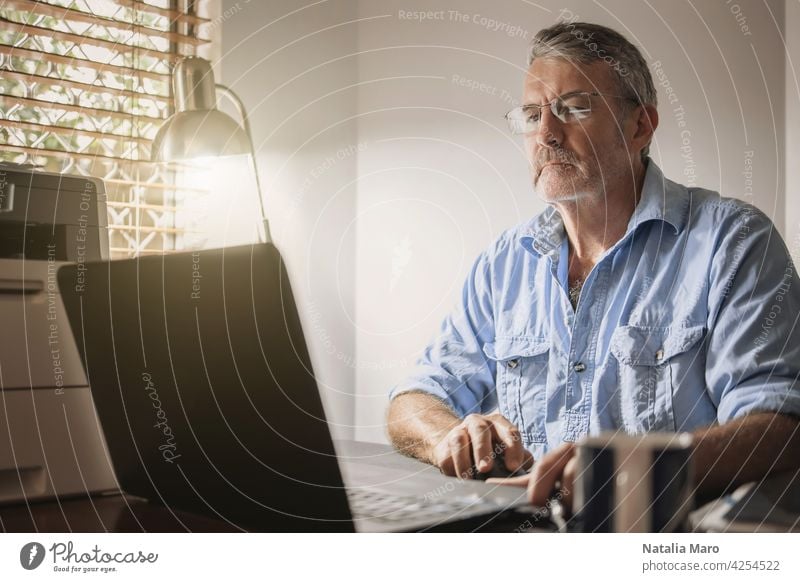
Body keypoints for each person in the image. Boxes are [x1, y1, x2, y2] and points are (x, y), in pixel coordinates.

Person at [386, 21, 800, 509]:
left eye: (573, 108)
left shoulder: (731, 243)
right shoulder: (504, 264)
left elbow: (782, 427)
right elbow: (413, 398)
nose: (546, 133)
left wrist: (638, 469)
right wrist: (448, 436)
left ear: (640, 125)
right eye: (532, 114)